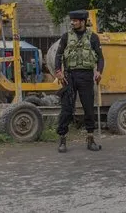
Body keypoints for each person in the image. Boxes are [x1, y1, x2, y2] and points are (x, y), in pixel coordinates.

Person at [54, 9, 104, 153]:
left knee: (89, 108)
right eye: (72, 20)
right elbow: (59, 55)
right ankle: (62, 140)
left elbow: (100, 57)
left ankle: (90, 139)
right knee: (67, 109)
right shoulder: (65, 37)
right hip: (69, 76)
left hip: (86, 76)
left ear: (82, 22)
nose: (72, 22)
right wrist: (58, 71)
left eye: (75, 20)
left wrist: (99, 71)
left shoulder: (93, 37)